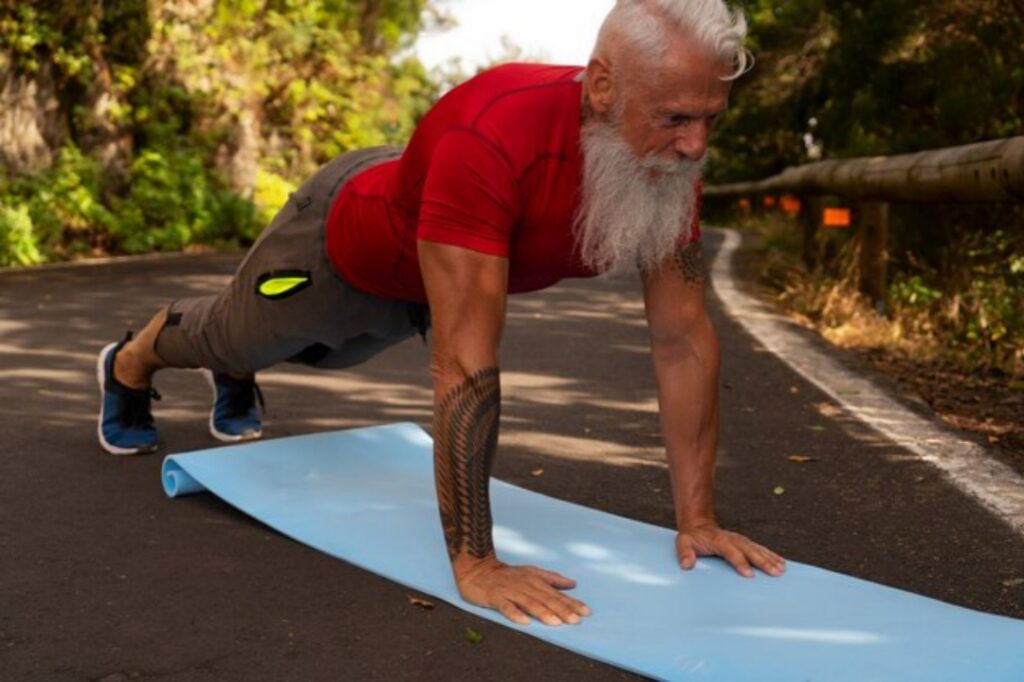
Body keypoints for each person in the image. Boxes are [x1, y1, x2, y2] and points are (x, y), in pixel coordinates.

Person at [96, 0, 786, 627]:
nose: (696, 145)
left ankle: (241, 370)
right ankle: (128, 365)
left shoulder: (665, 164)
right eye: (675, 119)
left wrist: (698, 519)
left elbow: (682, 340)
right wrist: (476, 562)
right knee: (231, 336)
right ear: (603, 87)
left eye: (709, 119)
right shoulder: (493, 134)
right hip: (342, 247)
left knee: (320, 354)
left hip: (421, 285)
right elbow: (464, 360)